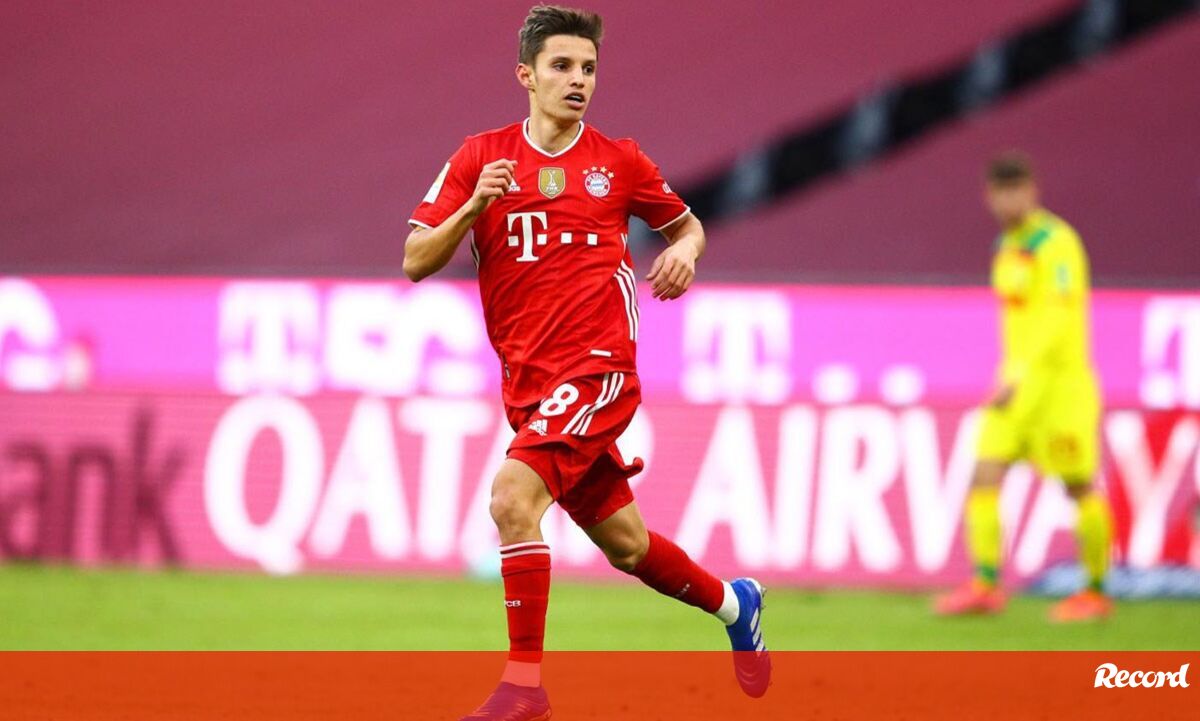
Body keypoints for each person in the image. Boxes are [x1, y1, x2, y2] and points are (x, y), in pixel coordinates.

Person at [404, 6, 770, 719]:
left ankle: (524, 687)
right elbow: (415, 258)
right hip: (530, 387)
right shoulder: (480, 158)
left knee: (512, 499)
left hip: (599, 371)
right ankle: (736, 604)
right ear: (526, 75)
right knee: (628, 547)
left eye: (589, 69)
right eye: (563, 66)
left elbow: (687, 225)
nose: (578, 81)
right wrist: (471, 207)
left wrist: (686, 251)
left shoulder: (619, 162)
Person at [935, 152, 1114, 622]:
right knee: (984, 474)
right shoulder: (1006, 247)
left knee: (1078, 485)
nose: (1009, 201)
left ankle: (1096, 592)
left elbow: (1057, 317)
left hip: (1059, 388)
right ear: (989, 196)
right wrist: (1012, 374)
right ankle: (986, 584)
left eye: (1017, 190)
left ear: (1032, 190)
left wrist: (1018, 373)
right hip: (1014, 387)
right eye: (1001, 192)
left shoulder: (1056, 242)